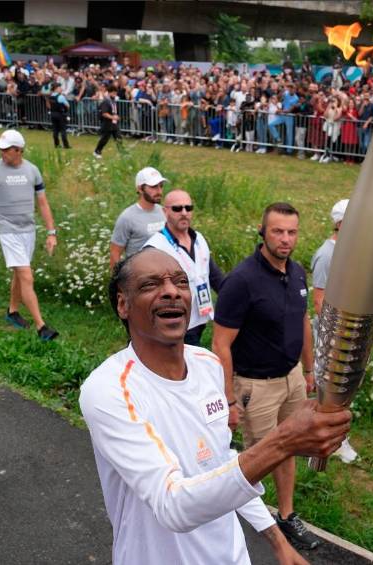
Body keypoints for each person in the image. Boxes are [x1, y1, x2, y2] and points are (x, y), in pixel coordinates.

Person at [80, 247, 352, 564]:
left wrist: (276, 539)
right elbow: (173, 506)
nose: (171, 291)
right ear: (123, 305)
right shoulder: (109, 390)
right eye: (150, 285)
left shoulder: (208, 365)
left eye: (180, 282)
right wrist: (284, 441)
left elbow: (221, 462)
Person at [212, 202, 320, 549]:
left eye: (292, 232)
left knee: (287, 449)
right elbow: (220, 343)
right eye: (278, 231)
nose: (285, 239)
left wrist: (309, 368)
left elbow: (302, 320)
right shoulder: (242, 281)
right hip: (255, 386)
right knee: (257, 460)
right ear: (263, 232)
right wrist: (228, 397)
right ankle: (240, 527)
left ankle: (286, 517)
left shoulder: (298, 272)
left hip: (290, 379)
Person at [0, 130, 59, 341]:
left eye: (6, 150)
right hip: (7, 230)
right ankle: (42, 327)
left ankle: (12, 312)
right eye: (0, 149)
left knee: (19, 274)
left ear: (19, 150)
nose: (1, 153)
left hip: (28, 230)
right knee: (26, 275)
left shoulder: (32, 170)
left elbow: (42, 202)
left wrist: (51, 232)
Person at [144, 189, 224, 346]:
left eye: (188, 208)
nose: (184, 213)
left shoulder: (199, 238)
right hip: (173, 323)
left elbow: (213, 276)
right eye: (177, 208)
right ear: (164, 211)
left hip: (200, 319)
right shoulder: (155, 248)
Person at [310, 199, 358, 464]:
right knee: (330, 389)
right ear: (341, 223)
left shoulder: (348, 251)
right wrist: (335, 337)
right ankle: (330, 441)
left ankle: (333, 436)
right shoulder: (327, 255)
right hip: (332, 335)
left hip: (345, 331)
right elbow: (320, 300)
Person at [109, 166, 166, 270]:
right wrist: (119, 283)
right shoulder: (127, 217)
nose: (159, 191)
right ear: (140, 189)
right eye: (153, 187)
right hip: (139, 277)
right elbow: (115, 253)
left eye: (161, 186)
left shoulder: (165, 212)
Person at [93, 84, 121, 159]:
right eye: (113, 93)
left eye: (116, 93)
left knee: (118, 138)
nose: (115, 94)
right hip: (107, 123)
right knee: (104, 139)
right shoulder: (106, 101)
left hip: (114, 123)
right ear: (109, 92)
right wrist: (113, 117)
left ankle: (122, 152)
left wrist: (116, 117)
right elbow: (104, 113)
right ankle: (97, 151)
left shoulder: (113, 101)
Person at [49, 83, 70, 149]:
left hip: (53, 114)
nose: (61, 89)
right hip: (60, 114)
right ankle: (66, 145)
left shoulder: (51, 96)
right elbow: (67, 105)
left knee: (55, 130)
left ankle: (57, 144)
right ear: (56, 89)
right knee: (63, 130)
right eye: (60, 88)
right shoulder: (60, 97)